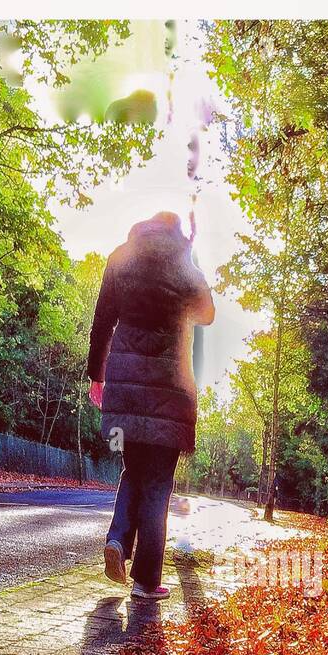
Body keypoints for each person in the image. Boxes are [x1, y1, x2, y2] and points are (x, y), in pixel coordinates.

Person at [86, 210, 215, 600]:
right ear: (178, 234)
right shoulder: (183, 264)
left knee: (134, 471)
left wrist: (97, 375)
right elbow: (207, 313)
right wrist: (193, 259)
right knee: (158, 484)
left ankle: (118, 541)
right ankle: (145, 581)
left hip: (126, 388)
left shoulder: (120, 258)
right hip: (170, 391)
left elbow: (102, 321)